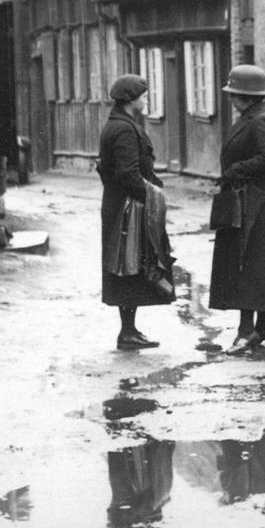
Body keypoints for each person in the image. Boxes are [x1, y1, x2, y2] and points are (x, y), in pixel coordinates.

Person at [209, 64, 265, 351]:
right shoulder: (251, 117)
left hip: (258, 203)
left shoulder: (260, 121)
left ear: (245, 96)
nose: (231, 99)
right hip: (250, 200)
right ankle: (263, 326)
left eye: (234, 93)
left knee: (248, 264)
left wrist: (235, 171)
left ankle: (247, 331)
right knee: (256, 265)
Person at [97, 74, 172, 350]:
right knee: (129, 266)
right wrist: (154, 196)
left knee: (128, 267)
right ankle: (127, 332)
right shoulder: (125, 129)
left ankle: (129, 329)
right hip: (128, 208)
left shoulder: (119, 124)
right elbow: (128, 174)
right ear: (130, 100)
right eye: (143, 95)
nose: (147, 99)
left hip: (120, 205)